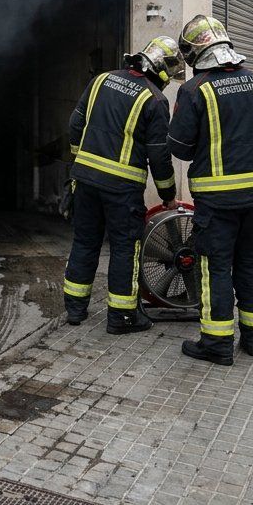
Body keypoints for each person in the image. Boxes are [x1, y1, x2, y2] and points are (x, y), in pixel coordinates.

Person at [167, 15, 253, 366]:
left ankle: (217, 343)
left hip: (217, 203)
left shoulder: (194, 90)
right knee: (251, 263)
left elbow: (179, 146)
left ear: (195, 54)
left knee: (217, 267)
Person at [63, 36, 186, 334]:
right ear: (160, 68)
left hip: (85, 181)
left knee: (84, 242)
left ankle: (75, 310)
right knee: (123, 248)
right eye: (170, 72)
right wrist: (169, 195)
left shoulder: (101, 80)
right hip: (121, 189)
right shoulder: (155, 99)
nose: (169, 79)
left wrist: (80, 166)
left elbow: (75, 126)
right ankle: (121, 316)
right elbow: (159, 156)